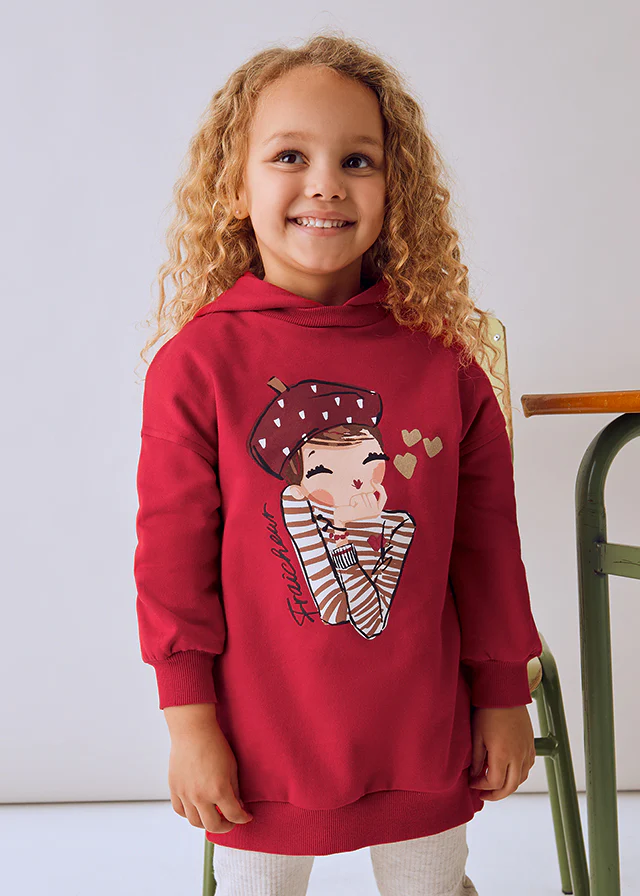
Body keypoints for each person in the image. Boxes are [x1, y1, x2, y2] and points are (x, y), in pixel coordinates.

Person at [133, 28, 542, 896]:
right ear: (234, 188)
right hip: (261, 739)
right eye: (290, 156)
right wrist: (189, 724)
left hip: (419, 725)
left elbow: (487, 550)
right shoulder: (197, 365)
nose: (325, 182)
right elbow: (171, 564)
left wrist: (505, 693)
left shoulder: (445, 364)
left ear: (397, 191)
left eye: (358, 160)